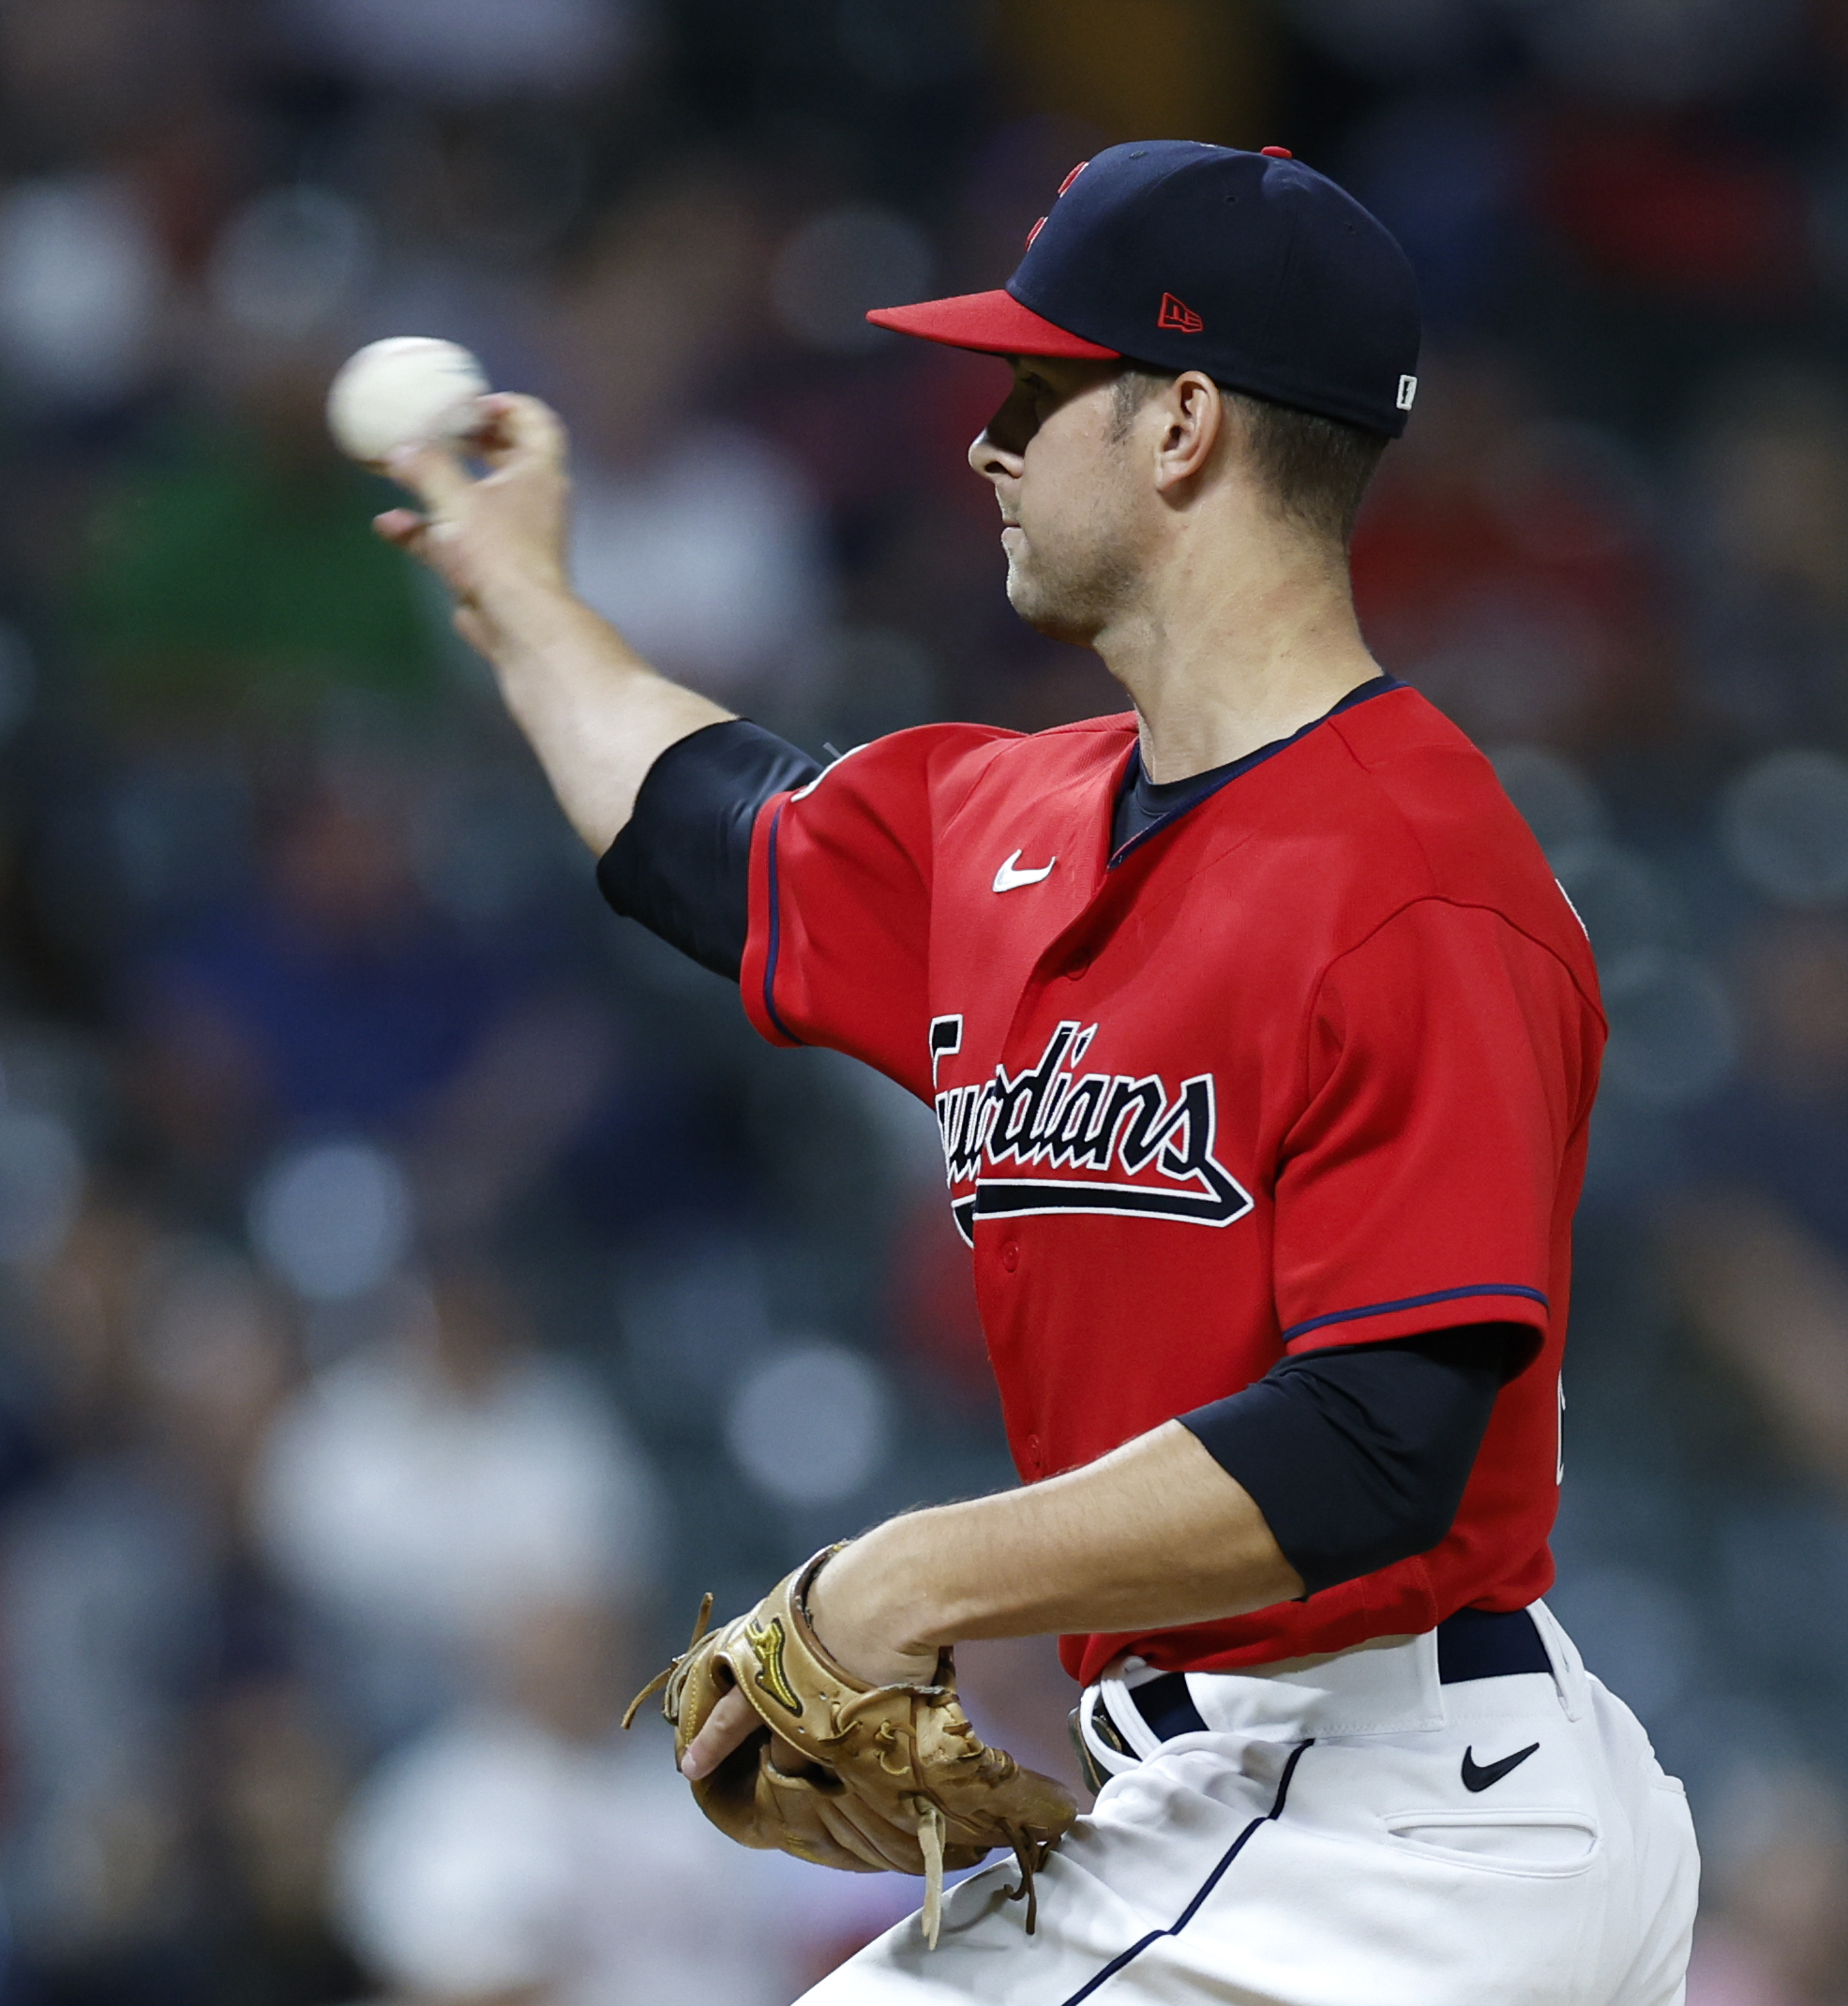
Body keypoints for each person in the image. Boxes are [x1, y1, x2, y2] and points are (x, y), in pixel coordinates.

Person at [371, 140, 1697, 2005]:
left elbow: (1383, 1437)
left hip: (1396, 1815)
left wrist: (901, 1578)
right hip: (1258, 1791)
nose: (984, 440)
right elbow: (703, 827)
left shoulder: (1417, 879)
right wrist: (518, 596)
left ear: (1179, 427)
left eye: (1036, 388)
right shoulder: (1019, 814)